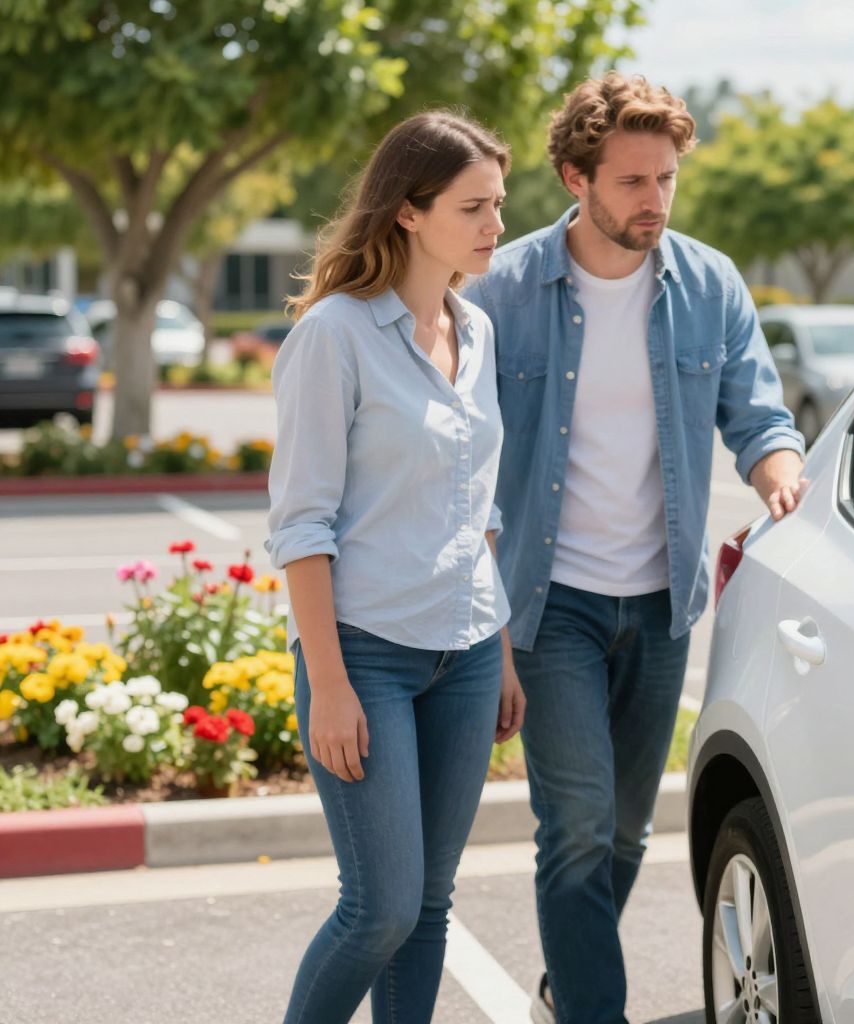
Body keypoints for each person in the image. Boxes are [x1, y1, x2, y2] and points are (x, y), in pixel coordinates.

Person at [462, 73, 806, 1023]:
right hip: (548, 603)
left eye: (667, 179)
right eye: (632, 182)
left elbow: (760, 411)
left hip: (660, 604)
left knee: (620, 834)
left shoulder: (710, 284)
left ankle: (566, 982)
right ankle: (589, 1010)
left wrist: (778, 470)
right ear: (576, 177)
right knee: (572, 829)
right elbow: (460, 449)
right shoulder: (502, 291)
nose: (655, 201)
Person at [267, 110, 525, 1024]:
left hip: (466, 652)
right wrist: (328, 686)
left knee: (427, 907)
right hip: (364, 655)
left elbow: (479, 506)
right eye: (474, 207)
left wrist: (500, 652)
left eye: (499, 203)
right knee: (377, 907)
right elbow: (300, 526)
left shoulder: (478, 332)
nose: (497, 224)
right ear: (409, 212)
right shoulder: (334, 336)